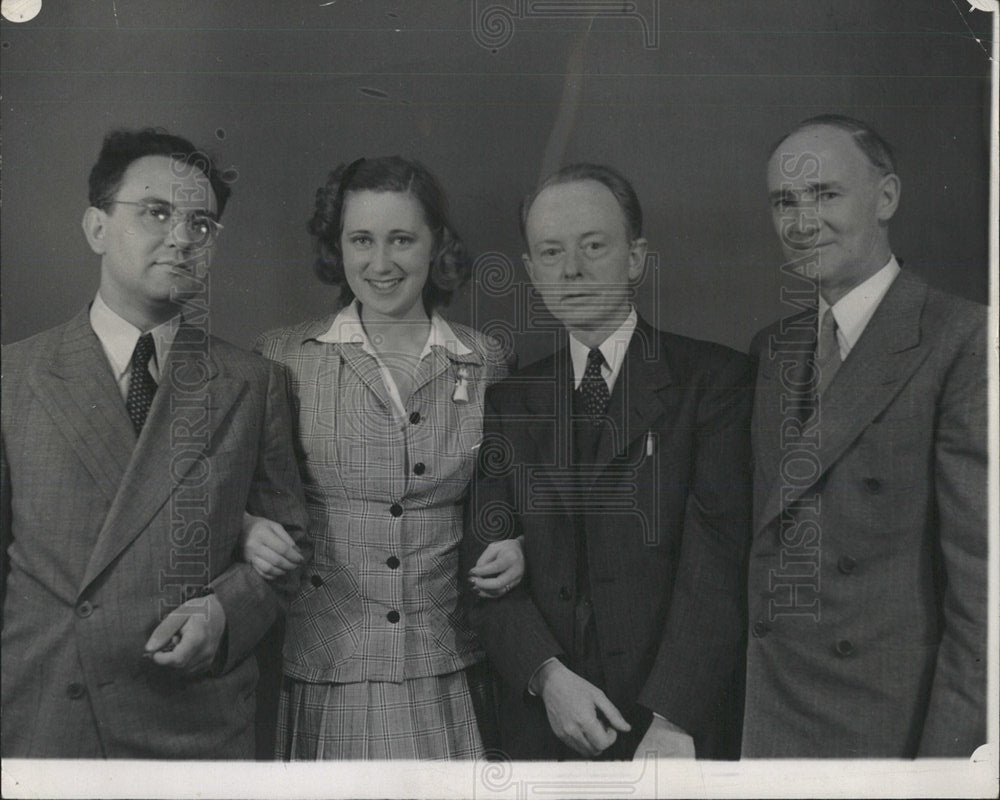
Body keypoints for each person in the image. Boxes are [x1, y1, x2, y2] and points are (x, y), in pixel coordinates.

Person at [0, 128, 310, 758]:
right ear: (95, 228)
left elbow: (290, 546)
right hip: (50, 715)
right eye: (157, 212)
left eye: (202, 224)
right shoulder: (15, 376)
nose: (181, 238)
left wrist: (224, 615)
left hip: (194, 718)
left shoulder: (253, 381)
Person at [460, 163, 754, 760]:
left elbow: (719, 566)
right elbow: (483, 566)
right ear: (531, 272)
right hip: (546, 725)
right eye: (551, 252)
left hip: (671, 729)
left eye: (593, 246)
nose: (571, 269)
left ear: (636, 258)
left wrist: (674, 719)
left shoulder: (714, 382)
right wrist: (547, 677)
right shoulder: (509, 400)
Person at [245, 156, 524, 760]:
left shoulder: (485, 360)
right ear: (337, 247)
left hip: (446, 664)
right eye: (361, 240)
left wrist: (520, 541)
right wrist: (246, 528)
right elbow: (234, 492)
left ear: (436, 245)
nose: (380, 263)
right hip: (328, 663)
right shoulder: (284, 357)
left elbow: (513, 500)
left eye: (402, 239)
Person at [743, 115, 988, 757]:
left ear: (886, 198)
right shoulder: (772, 348)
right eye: (784, 202)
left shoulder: (964, 339)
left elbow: (985, 592)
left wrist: (946, 769)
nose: (802, 222)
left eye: (825, 195)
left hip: (887, 728)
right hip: (770, 715)